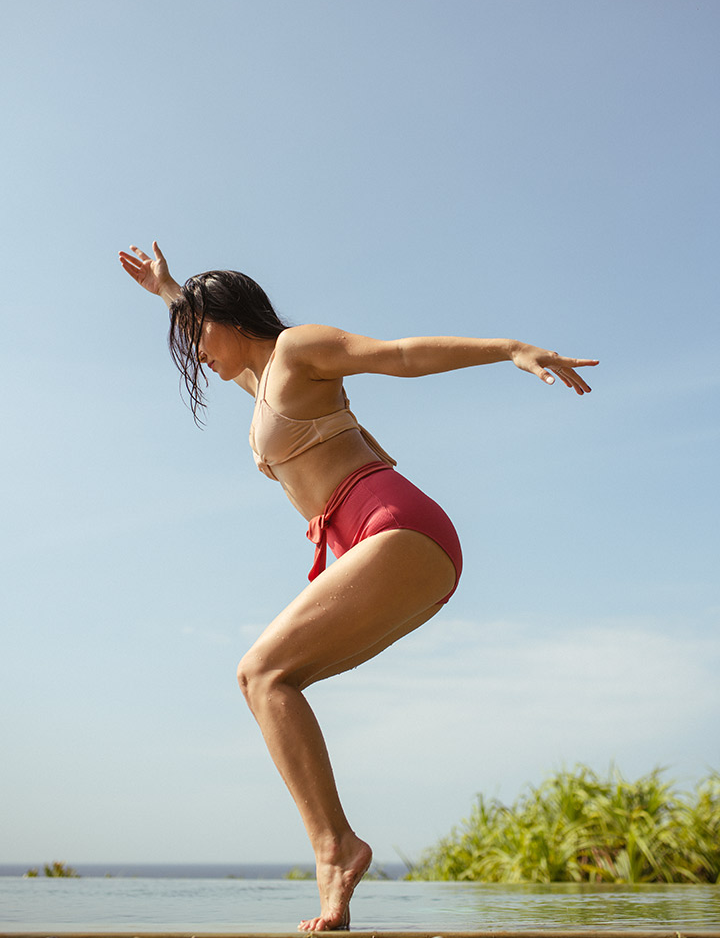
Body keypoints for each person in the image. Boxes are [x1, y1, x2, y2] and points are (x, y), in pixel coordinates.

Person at [118, 242, 598, 931]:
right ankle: (336, 850)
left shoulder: (298, 349)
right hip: (393, 551)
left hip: (394, 526)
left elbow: (399, 355)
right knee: (272, 683)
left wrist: (511, 348)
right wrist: (168, 293)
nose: (197, 354)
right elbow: (235, 362)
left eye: (197, 334)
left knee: (260, 673)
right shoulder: (263, 386)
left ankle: (335, 848)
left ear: (227, 316)